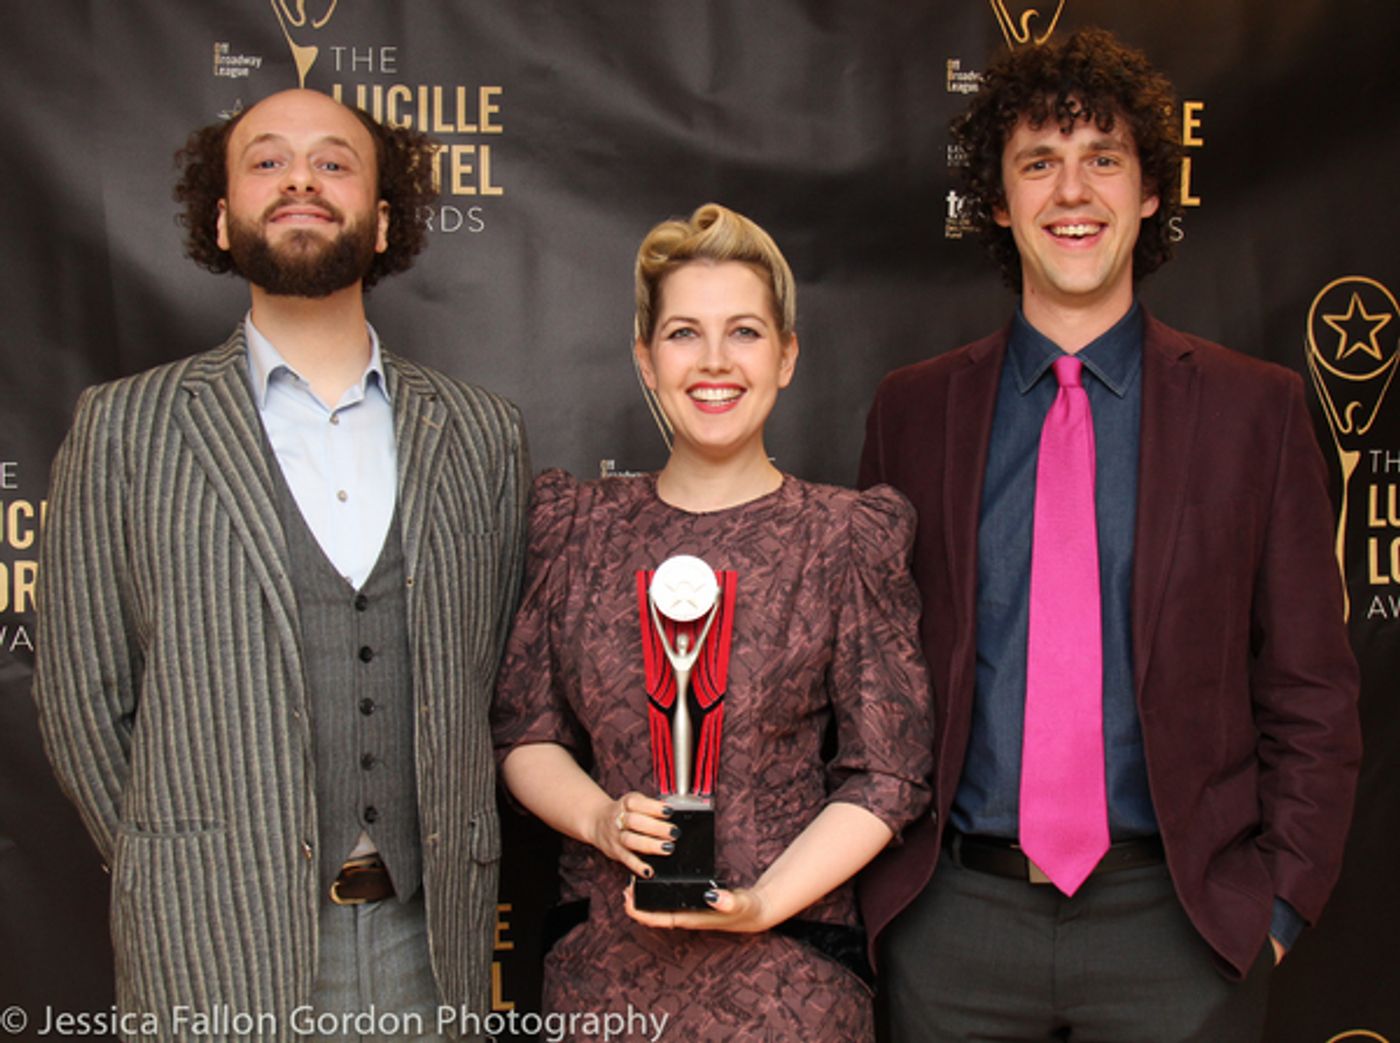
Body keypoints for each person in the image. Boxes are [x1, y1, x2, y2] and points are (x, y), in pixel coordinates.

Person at [858, 27, 1361, 1042]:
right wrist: (893, 913)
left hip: (1177, 929)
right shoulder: (911, 412)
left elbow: (1309, 683)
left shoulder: (1253, 410)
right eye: (1037, 162)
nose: (1071, 190)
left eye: (1102, 159)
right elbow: (868, 672)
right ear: (997, 202)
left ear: (1147, 193)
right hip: (954, 928)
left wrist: (1272, 906)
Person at [33, 89, 528, 1041]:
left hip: (432, 942)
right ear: (222, 216)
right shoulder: (126, 427)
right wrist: (180, 861)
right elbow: (82, 697)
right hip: (208, 939)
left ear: (383, 222)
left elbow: (494, 671)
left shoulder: (481, 434)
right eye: (266, 161)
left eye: (335, 162)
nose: (300, 177)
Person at [492, 203, 932, 1039]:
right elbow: (525, 731)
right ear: (645, 361)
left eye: (746, 333)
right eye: (684, 334)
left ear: (788, 356)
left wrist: (764, 901)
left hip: (790, 983)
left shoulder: (843, 536)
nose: (716, 362)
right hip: (604, 982)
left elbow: (887, 774)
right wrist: (598, 817)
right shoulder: (578, 526)